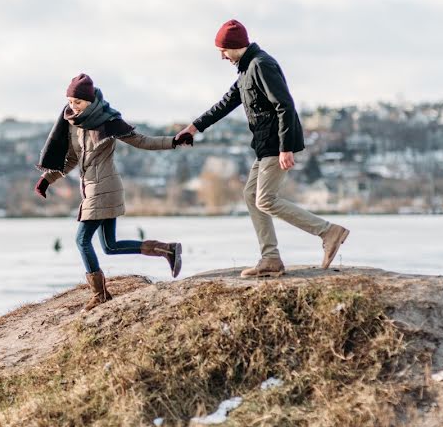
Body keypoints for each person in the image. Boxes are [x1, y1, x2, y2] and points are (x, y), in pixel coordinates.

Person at [176, 19, 349, 277]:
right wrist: (193, 127)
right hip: (265, 146)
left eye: (223, 50)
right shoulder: (246, 70)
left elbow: (285, 105)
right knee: (251, 195)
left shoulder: (261, 65)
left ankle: (328, 231)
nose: (222, 56)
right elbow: (225, 103)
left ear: (235, 46)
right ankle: (270, 258)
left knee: (265, 199)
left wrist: (286, 147)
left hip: (276, 145)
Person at [36, 73, 192, 311]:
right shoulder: (73, 123)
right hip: (91, 189)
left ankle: (100, 295)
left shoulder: (107, 121)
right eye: (69, 101)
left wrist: (173, 141)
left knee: (81, 240)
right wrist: (47, 179)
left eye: (77, 102)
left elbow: (141, 141)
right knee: (110, 246)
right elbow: (72, 159)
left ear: (90, 101)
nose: (72, 106)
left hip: (105, 188)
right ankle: (167, 249)